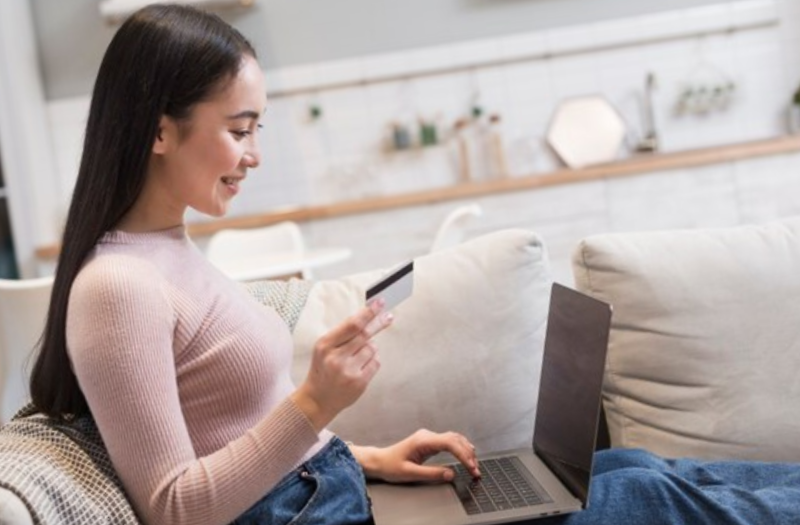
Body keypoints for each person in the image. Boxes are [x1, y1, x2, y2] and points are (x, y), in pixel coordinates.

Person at [28, 4, 479, 525]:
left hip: (330, 494)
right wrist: (315, 401)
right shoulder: (117, 286)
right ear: (159, 133)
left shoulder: (169, 248)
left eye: (256, 129)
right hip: (311, 513)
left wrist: (376, 459)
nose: (256, 154)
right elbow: (174, 508)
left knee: (592, 472)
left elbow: (240, 436)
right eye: (240, 131)